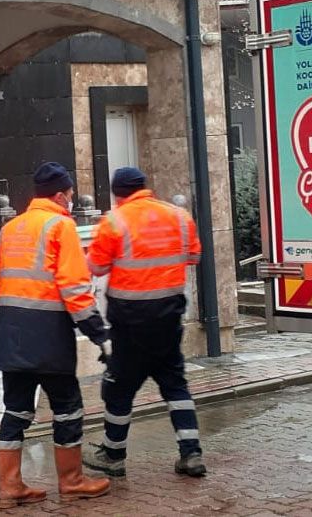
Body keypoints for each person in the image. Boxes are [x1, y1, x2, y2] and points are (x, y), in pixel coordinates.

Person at [0, 161, 112, 507]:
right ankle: (72, 480)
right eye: (71, 195)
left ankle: (9, 487)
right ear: (60, 195)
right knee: (68, 407)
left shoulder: (11, 228)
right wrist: (99, 333)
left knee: (15, 410)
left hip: (13, 331)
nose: (72, 200)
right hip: (48, 335)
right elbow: (74, 288)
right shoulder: (61, 226)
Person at [82, 167, 206, 478]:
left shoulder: (113, 222)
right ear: (144, 187)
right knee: (175, 385)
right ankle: (191, 454)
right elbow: (194, 257)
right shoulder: (178, 216)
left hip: (130, 323)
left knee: (119, 387)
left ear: (116, 193)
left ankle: (113, 454)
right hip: (168, 318)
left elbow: (95, 267)